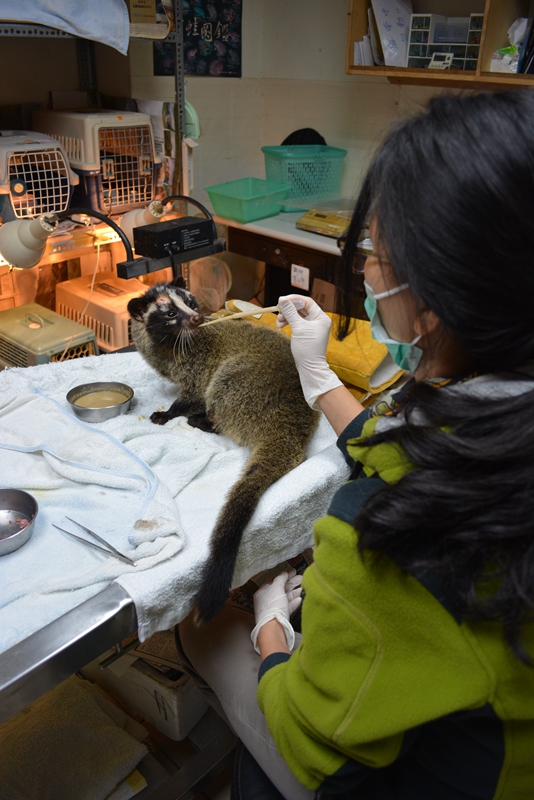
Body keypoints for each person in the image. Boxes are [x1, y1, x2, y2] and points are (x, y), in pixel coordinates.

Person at [176, 90, 534, 799]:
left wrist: (271, 629)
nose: (366, 269)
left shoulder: (388, 532)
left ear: (431, 298)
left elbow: (322, 751)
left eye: (375, 250)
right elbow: (412, 439)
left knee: (199, 628)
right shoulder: (499, 413)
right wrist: (316, 376)